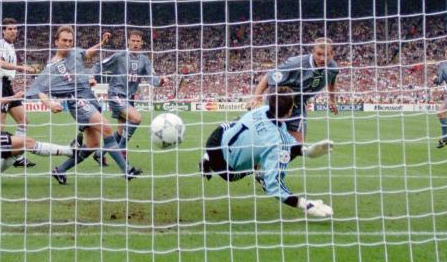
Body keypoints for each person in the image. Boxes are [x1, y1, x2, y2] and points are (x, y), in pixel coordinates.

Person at [25, 25, 142, 185]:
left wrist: (101, 43)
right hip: (77, 101)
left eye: (70, 41)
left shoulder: (75, 53)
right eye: (64, 40)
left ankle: (60, 170)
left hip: (89, 97)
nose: (68, 44)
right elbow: (40, 90)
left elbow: (87, 53)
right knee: (106, 127)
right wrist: (50, 104)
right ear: (56, 42)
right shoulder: (51, 67)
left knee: (93, 144)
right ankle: (126, 170)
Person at [200, 87, 335, 217]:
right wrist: (305, 204)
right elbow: (274, 187)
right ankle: (260, 174)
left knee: (235, 123)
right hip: (226, 169)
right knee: (260, 164)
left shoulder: (261, 110)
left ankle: (207, 156)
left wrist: (307, 151)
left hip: (214, 140)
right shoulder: (276, 141)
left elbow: (285, 140)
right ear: (289, 111)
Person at [94, 30, 168, 155]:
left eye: (138, 41)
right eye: (133, 40)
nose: (135, 43)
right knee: (137, 118)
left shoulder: (144, 60)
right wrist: (91, 77)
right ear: (128, 41)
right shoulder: (120, 56)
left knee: (120, 132)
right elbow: (99, 65)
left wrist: (160, 81)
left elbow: (151, 78)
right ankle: (122, 150)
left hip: (129, 98)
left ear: (142, 43)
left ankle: (99, 154)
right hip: (116, 95)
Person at [251, 37, 339, 142]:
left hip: (298, 105)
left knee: (298, 145)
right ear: (313, 52)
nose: (322, 59)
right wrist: (256, 98)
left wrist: (332, 100)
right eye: (319, 54)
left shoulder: (333, 67)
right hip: (278, 103)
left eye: (326, 55)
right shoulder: (295, 63)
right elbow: (268, 77)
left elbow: (332, 79)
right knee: (269, 141)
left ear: (332, 54)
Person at [0, 18, 38, 169]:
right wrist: (21, 68)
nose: (13, 31)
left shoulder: (10, 46)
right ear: (3, 30)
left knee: (23, 120)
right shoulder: (0, 44)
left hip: (7, 85)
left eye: (15, 28)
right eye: (9, 29)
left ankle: (17, 156)